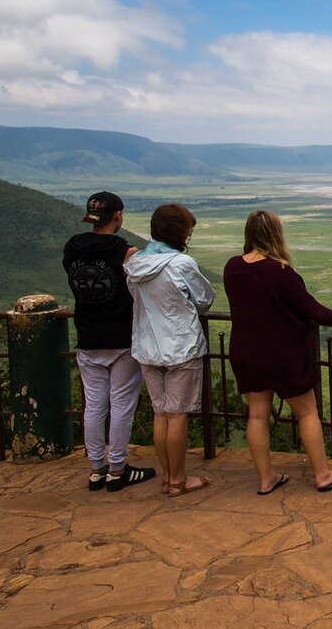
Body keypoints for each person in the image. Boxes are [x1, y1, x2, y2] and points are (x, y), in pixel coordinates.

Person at [222, 210, 332, 494]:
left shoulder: (232, 267)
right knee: (307, 414)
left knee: (257, 416)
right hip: (282, 355)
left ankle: (266, 478)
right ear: (276, 234)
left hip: (246, 353)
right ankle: (322, 474)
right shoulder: (280, 272)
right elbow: (311, 309)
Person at [62, 191, 156, 492]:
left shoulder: (72, 249)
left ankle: (96, 470)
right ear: (118, 216)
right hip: (122, 337)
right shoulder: (125, 251)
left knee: (94, 405)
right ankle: (117, 470)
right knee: (121, 405)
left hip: (88, 336)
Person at [125, 203, 215, 497]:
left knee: (160, 414)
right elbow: (203, 299)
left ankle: (167, 478)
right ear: (180, 233)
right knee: (177, 415)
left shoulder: (135, 265)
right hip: (181, 346)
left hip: (147, 346)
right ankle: (178, 480)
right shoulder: (181, 264)